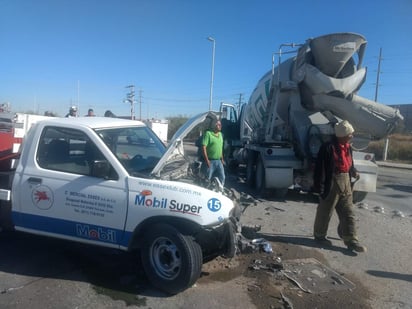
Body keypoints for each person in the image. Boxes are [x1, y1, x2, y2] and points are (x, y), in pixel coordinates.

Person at [312, 120, 367, 253]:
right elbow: (319, 169)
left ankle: (351, 239)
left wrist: (353, 170)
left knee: (348, 212)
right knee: (325, 211)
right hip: (332, 182)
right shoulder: (327, 147)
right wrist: (318, 187)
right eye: (350, 134)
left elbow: (349, 162)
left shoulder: (348, 146)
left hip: (346, 181)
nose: (351, 136)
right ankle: (319, 236)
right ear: (342, 135)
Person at [201, 119, 225, 186]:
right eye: (219, 125)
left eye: (221, 125)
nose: (220, 126)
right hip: (210, 161)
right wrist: (207, 160)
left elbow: (220, 148)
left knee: (222, 177)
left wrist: (222, 159)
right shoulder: (208, 134)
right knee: (208, 178)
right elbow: (204, 147)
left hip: (219, 161)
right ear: (214, 125)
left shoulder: (220, 135)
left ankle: (220, 190)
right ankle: (206, 190)